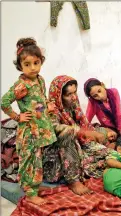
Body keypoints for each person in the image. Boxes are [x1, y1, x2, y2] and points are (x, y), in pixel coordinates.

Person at [1, 38, 57, 205]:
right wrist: (18, 117)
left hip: (40, 128)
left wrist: (47, 106)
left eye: (36, 62)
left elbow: (38, 102)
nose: (33, 67)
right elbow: (4, 102)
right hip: (29, 131)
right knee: (29, 161)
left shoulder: (39, 80)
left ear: (41, 62)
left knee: (37, 159)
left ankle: (35, 186)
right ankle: (30, 193)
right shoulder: (22, 85)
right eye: (27, 64)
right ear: (20, 66)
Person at [44, 75, 113, 193]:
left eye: (75, 92)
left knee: (105, 141)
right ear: (58, 96)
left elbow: (85, 124)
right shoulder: (51, 109)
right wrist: (86, 133)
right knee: (67, 135)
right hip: (57, 156)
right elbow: (54, 128)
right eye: (68, 94)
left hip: (78, 145)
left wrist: (96, 133)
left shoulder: (73, 104)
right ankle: (73, 181)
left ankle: (89, 159)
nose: (73, 97)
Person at [84, 78, 121, 149]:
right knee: (102, 137)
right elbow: (86, 120)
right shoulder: (93, 102)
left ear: (102, 85)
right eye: (95, 96)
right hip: (109, 129)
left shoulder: (114, 92)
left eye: (99, 91)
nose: (100, 96)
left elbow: (118, 114)